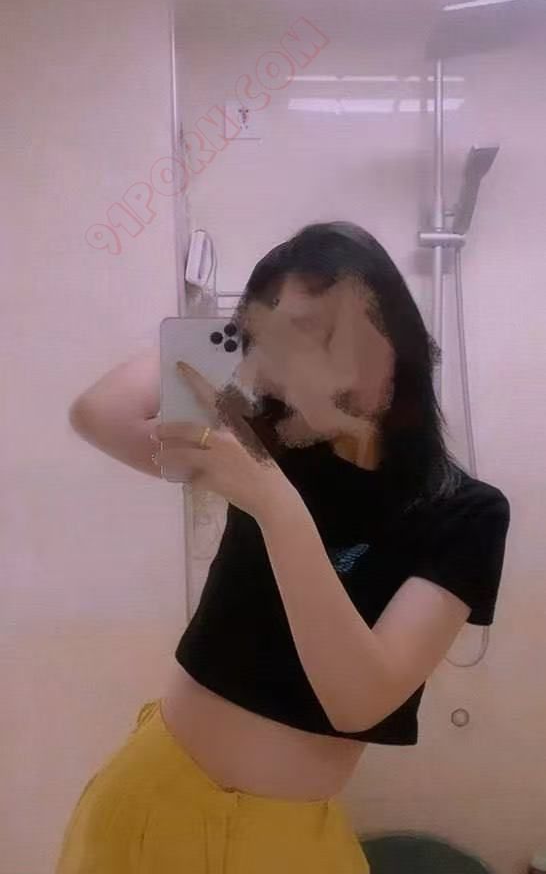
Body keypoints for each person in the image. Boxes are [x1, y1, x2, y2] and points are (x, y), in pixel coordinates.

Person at [56, 221, 510, 874]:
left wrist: (273, 503)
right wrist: (235, 333)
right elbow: (99, 413)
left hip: (288, 839)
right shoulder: (269, 440)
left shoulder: (465, 512)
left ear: (400, 340)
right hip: (150, 797)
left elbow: (358, 701)